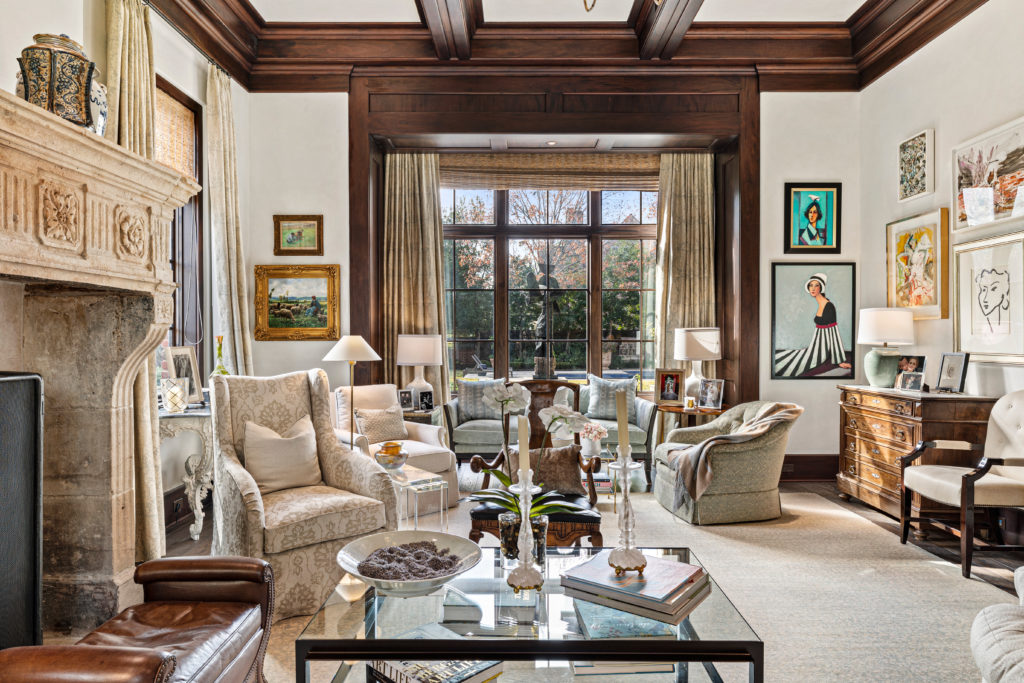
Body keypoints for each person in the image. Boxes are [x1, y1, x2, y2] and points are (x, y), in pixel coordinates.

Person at [774, 272, 852, 377]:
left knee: (794, 363)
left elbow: (834, 333)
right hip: (814, 346)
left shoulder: (829, 306)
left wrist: (839, 360)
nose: (813, 288)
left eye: (816, 285)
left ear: (821, 288)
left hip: (821, 350)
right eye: (811, 285)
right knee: (786, 357)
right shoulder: (821, 303)